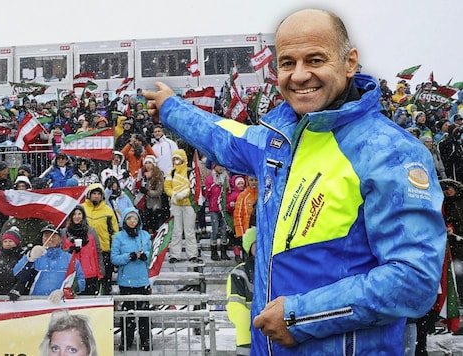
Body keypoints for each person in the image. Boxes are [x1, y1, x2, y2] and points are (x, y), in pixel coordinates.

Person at [144, 9, 445, 354]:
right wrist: (170, 107)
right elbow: (222, 137)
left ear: (350, 63)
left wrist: (301, 317)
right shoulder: (278, 140)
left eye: (315, 59)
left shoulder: (391, 152)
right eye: (287, 63)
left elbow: (415, 281)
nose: (300, 75)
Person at [110, 208, 152, 351]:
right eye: (129, 219)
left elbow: (153, 255)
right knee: (127, 314)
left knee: (144, 314)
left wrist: (145, 256)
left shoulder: (145, 235)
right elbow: (114, 258)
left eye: (134, 218)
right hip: (126, 282)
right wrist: (129, 256)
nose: (132, 221)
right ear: (124, 221)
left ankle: (146, 340)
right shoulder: (119, 237)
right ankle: (126, 341)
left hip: (142, 281)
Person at [12, 224, 85, 301]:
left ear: (60, 239)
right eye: (46, 235)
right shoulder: (35, 255)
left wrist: (64, 292)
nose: (49, 238)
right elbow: (17, 273)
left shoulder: (70, 259)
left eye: (53, 235)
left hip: (61, 303)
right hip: (36, 303)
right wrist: (29, 258)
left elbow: (81, 282)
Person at [164, 149, 199, 263]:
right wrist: (173, 194)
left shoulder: (190, 172)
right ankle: (175, 254)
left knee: (189, 230)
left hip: (188, 204)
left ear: (183, 159)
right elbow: (167, 186)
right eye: (174, 159)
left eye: (178, 158)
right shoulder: (171, 172)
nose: (176, 161)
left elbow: (193, 186)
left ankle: (192, 254)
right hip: (175, 204)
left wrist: (184, 194)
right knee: (176, 230)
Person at [82, 183, 118, 295]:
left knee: (105, 282)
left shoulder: (108, 210)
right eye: (94, 194)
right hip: (85, 252)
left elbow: (114, 232)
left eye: (98, 194)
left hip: (104, 252)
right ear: (89, 195)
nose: (96, 196)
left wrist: (114, 250)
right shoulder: (81, 209)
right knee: (87, 282)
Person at [226, 227, 256, 356]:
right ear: (249, 247)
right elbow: (235, 307)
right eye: (257, 243)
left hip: (274, 335)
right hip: (248, 337)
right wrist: (258, 324)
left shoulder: (275, 269)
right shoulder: (239, 273)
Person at [61, 205, 104, 296]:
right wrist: (70, 250)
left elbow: (98, 251)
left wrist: (101, 272)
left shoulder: (91, 231)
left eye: (79, 214)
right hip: (71, 274)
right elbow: (60, 252)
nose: (77, 216)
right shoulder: (64, 232)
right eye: (74, 214)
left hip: (90, 273)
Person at [204, 164, 229, 261]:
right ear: (214, 167)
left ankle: (223, 252)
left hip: (224, 208)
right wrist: (209, 189)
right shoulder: (210, 179)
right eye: (218, 166)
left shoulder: (226, 177)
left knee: (223, 229)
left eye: (222, 166)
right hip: (214, 207)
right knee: (214, 229)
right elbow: (206, 194)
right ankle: (213, 252)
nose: (220, 168)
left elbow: (228, 192)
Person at [232, 176, 259, 263]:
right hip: (247, 233)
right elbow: (238, 215)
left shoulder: (263, 194)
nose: (254, 182)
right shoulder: (243, 196)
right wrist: (240, 233)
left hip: (261, 233)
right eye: (251, 180)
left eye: (256, 180)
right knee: (247, 259)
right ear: (247, 181)